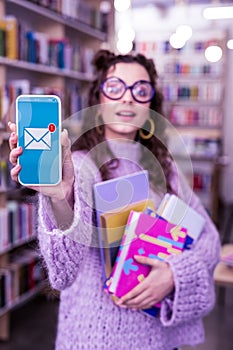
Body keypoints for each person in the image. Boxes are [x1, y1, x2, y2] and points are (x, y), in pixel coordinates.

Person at [8, 49, 220, 350]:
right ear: (99, 101)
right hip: (94, 339)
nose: (128, 98)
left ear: (151, 105)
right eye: (115, 87)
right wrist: (59, 198)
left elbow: (209, 239)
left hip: (160, 339)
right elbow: (61, 273)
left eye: (141, 90)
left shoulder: (167, 169)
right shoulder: (82, 167)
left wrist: (175, 274)